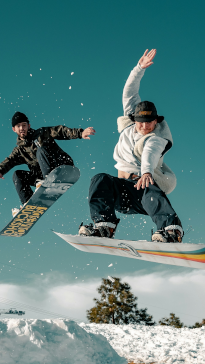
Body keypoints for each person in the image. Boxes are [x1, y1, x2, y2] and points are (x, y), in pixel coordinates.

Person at [79, 49, 183, 243]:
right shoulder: (129, 126)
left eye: (149, 122)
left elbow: (150, 154)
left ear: (156, 122)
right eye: (141, 122)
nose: (144, 126)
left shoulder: (156, 138)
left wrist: (146, 173)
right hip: (121, 194)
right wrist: (139, 69)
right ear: (134, 119)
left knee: (148, 186)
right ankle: (104, 226)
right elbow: (129, 92)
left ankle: (171, 230)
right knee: (99, 179)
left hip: (143, 194)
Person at [0, 112, 96, 216]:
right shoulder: (20, 150)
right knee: (17, 175)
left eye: (24, 125)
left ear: (29, 126)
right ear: (14, 129)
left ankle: (46, 181)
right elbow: (9, 161)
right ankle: (28, 205)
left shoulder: (42, 133)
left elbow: (60, 131)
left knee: (40, 150)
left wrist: (79, 133)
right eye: (18, 126)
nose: (22, 128)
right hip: (41, 178)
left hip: (61, 164)